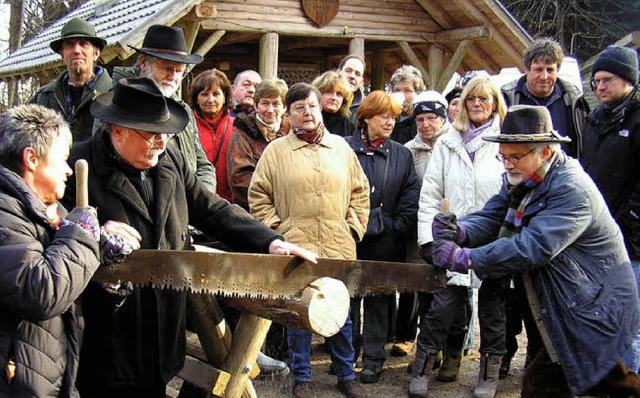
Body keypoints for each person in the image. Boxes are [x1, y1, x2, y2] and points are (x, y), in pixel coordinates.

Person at [61, 77, 317, 398]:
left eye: (165, 135)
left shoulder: (169, 160)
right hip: (107, 329)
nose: (161, 143)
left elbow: (210, 208)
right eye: (151, 134)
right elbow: (52, 228)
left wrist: (268, 241)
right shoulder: (77, 164)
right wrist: (92, 233)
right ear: (118, 130)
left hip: (163, 324)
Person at [432, 104, 640, 398]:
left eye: (515, 157)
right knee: (550, 382)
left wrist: (464, 258)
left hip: (593, 308)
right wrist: (460, 231)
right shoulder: (526, 178)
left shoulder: (571, 189)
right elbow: (493, 215)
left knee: (611, 384)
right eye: (503, 157)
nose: (507, 165)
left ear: (545, 151)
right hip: (559, 302)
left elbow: (532, 247)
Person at [0, 104, 131, 396]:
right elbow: (41, 291)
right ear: (31, 159)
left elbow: (69, 286)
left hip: (52, 377)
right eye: (62, 159)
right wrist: (82, 237)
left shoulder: (51, 212)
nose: (69, 170)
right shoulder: (4, 213)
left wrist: (104, 273)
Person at [249, 82, 370, 398]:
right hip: (296, 247)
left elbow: (360, 192)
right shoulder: (276, 152)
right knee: (299, 314)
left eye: (312, 106)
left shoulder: (342, 149)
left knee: (340, 314)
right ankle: (302, 378)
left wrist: (352, 229)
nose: (307, 112)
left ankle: (346, 374)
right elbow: (258, 195)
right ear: (288, 115)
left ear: (321, 109)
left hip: (337, 246)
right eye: (299, 108)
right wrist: (278, 230)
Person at [409, 76, 507, 398]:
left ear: (494, 102)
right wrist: (429, 240)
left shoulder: (505, 140)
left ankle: (488, 375)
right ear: (463, 103)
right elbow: (431, 193)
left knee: (492, 310)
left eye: (484, 98)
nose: (477, 104)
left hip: (492, 237)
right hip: (454, 235)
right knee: (442, 308)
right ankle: (422, 367)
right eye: (470, 99)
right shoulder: (448, 142)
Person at [344, 91, 420, 383]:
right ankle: (346, 357)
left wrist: (396, 226)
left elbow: (410, 193)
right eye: (383, 116)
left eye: (394, 116)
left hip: (385, 240)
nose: (390, 122)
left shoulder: (402, 154)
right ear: (365, 118)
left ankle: (374, 359)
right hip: (348, 237)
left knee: (377, 300)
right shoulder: (344, 149)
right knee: (347, 299)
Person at [581, 45, 640, 373]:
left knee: (627, 327)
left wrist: (629, 220)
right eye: (596, 81)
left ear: (628, 80)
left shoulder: (637, 120)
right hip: (595, 237)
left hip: (630, 242)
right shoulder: (595, 119)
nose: (600, 86)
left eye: (608, 80)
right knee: (600, 321)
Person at [111, 24, 216, 194]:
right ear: (144, 63)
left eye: (179, 71)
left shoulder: (184, 110)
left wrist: (200, 198)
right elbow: (109, 166)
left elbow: (202, 163)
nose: (173, 77)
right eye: (166, 68)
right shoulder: (117, 106)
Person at [399, 91, 450, 359]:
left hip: (449, 227)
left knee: (448, 288)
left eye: (431, 118)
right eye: (420, 119)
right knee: (422, 287)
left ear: (443, 118)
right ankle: (424, 347)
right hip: (419, 229)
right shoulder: (409, 150)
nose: (425, 124)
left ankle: (445, 347)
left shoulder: (453, 145)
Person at [501, 38, 588, 158]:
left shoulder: (574, 101)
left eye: (550, 70)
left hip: (561, 172)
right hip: (521, 172)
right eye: (538, 69)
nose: (544, 76)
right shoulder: (507, 99)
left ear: (558, 70)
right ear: (526, 69)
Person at [30, 17, 111, 142]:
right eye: (69, 45)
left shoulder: (114, 94)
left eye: (84, 44)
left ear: (96, 53)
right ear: (62, 55)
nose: (76, 50)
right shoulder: (44, 98)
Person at [228, 78, 289, 211]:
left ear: (284, 107)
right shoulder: (243, 134)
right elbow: (240, 178)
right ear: (256, 105)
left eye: (276, 104)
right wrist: (274, 196)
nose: (270, 110)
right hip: (255, 211)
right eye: (265, 103)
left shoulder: (293, 131)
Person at [189, 68, 234, 201]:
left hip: (230, 203)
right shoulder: (187, 126)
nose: (210, 100)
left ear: (225, 97)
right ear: (196, 98)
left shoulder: (237, 127)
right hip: (198, 200)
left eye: (216, 94)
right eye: (204, 94)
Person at [312, 70, 355, 137]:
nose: (334, 98)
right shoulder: (309, 120)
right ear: (318, 93)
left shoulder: (349, 129)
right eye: (329, 92)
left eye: (339, 94)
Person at [390, 65, 426, 144]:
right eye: (397, 90)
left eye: (407, 90)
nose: (401, 95)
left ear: (417, 93)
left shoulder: (423, 122)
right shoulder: (387, 119)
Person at [338, 55, 366, 123]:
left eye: (357, 74)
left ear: (361, 82)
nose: (352, 76)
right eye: (348, 71)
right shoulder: (320, 101)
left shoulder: (365, 109)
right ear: (338, 73)